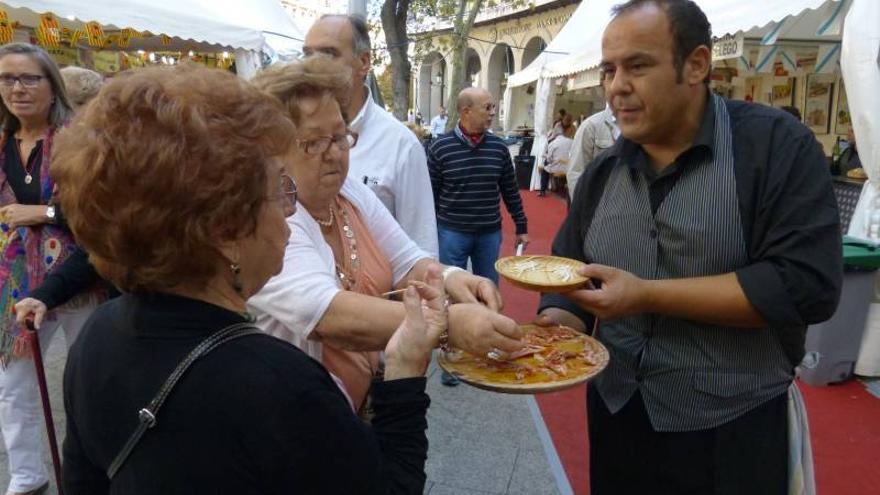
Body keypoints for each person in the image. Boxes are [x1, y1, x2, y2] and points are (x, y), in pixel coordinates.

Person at [55, 63, 445, 494]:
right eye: (278, 189)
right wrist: (405, 374)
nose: (289, 210)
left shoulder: (97, 335)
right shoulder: (281, 385)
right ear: (225, 232)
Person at [536, 1, 842, 493]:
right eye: (609, 70)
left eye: (638, 65)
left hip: (732, 428)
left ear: (696, 64)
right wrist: (552, 329)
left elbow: (804, 285)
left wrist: (648, 295)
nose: (616, 87)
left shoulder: (773, 148)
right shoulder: (602, 174)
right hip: (617, 418)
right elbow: (567, 273)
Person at [249, 56, 524, 406]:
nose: (334, 153)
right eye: (314, 142)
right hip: (296, 416)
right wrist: (449, 325)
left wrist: (454, 278)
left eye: (340, 137)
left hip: (359, 402)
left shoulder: (348, 190)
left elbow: (405, 261)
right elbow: (326, 315)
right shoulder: (273, 216)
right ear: (274, 149)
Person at [0, 42, 98, 495]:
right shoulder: (1, 142)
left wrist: (41, 214)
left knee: (86, 382)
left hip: (79, 277)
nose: (17, 89)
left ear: (51, 84)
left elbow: (99, 210)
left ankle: (92, 470)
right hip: (15, 280)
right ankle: (27, 475)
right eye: (7, 79)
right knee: (13, 385)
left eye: (28, 78)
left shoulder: (79, 139)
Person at [303, 15, 438, 258]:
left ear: (363, 62)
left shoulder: (401, 145)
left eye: (328, 54)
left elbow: (422, 244)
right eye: (307, 55)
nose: (312, 67)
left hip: (381, 292)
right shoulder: (289, 138)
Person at [427, 87, 529, 386]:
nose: (492, 112)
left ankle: (490, 352)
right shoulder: (439, 148)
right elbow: (428, 196)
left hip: (488, 233)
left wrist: (521, 226)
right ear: (465, 111)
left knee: (489, 294)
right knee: (453, 296)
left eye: (492, 106)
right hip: (451, 232)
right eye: (487, 107)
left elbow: (510, 191)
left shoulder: (498, 149)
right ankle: (454, 358)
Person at [566, 99, 620, 199]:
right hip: (599, 204)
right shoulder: (591, 126)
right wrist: (582, 209)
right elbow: (576, 173)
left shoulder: (643, 125)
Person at [539, 114, 575, 197]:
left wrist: (546, 157)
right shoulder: (572, 141)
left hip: (557, 166)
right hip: (569, 166)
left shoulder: (552, 143)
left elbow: (549, 159)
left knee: (545, 168)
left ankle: (542, 190)